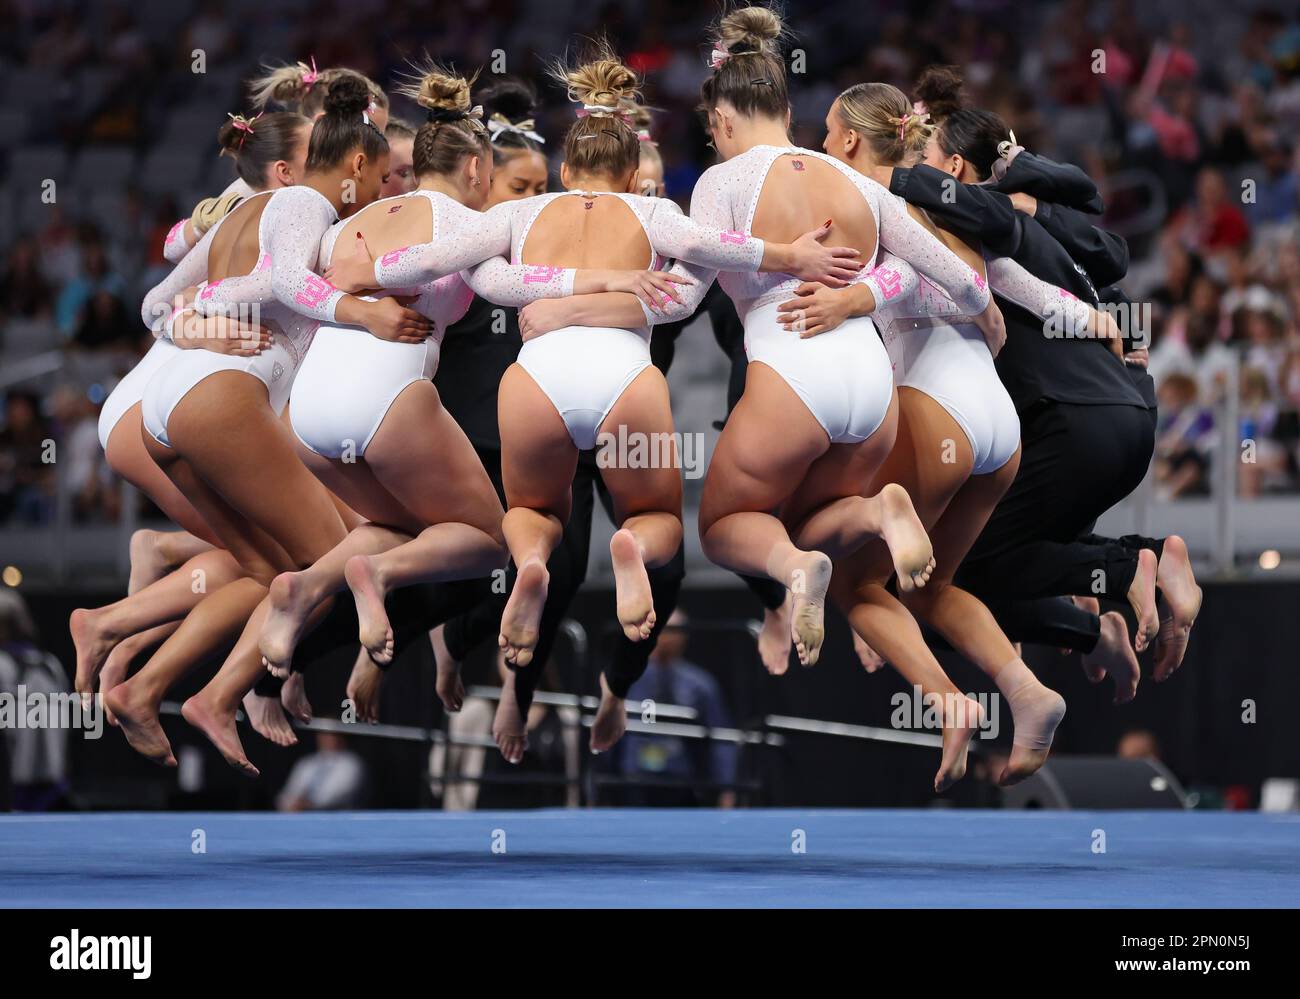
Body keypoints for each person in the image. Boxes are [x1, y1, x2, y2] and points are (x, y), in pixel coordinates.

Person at [613, 611, 739, 807]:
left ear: (684, 637)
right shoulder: (626, 679)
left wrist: (727, 787)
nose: (668, 637)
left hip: (682, 783)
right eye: (663, 629)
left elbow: (722, 738)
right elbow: (608, 730)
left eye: (674, 631)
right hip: (633, 782)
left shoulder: (700, 686)